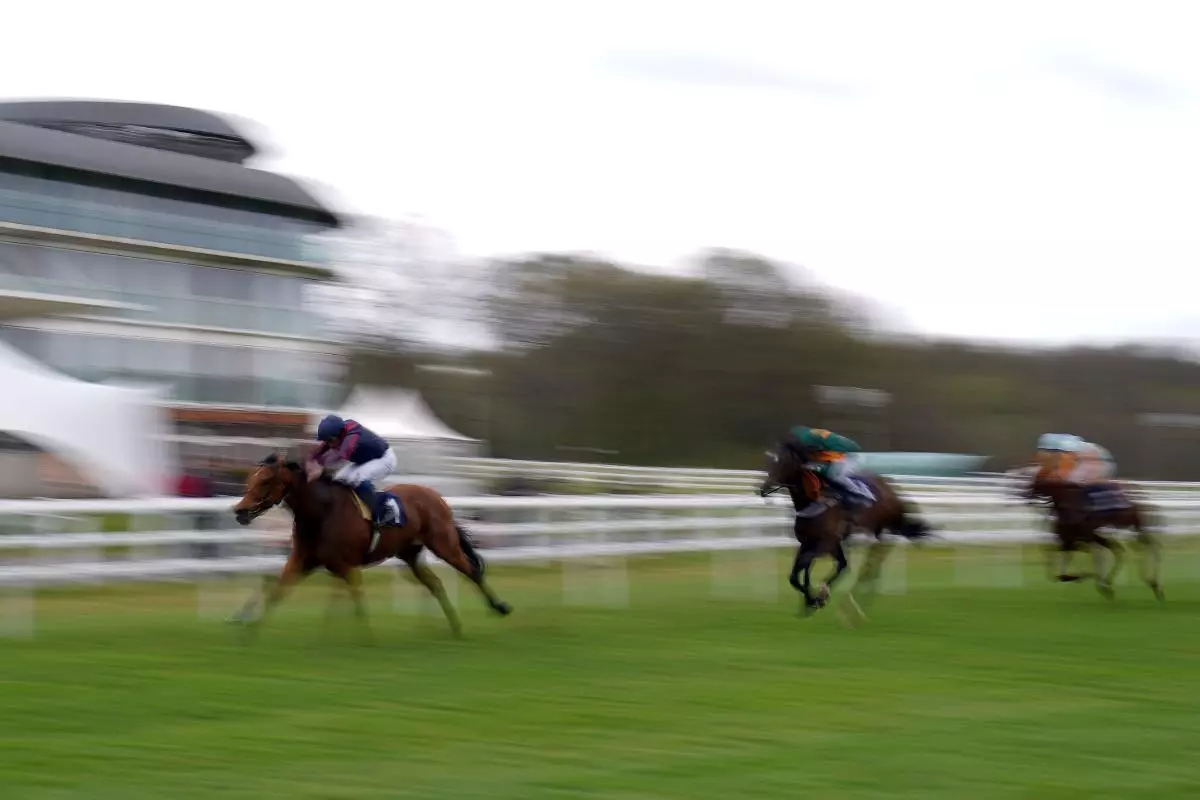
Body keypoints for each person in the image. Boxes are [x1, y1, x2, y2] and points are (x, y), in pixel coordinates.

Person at [308, 415, 400, 527]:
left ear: (340, 434)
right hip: (366, 459)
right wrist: (312, 460)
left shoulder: (352, 437)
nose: (330, 445)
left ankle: (384, 510)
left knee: (358, 480)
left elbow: (339, 457)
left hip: (384, 459)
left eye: (331, 441)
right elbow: (323, 449)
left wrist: (320, 469)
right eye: (327, 441)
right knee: (338, 479)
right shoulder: (338, 433)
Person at [782, 425, 875, 516]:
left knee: (835, 475)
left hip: (847, 454)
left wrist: (814, 467)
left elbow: (825, 465)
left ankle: (864, 494)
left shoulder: (812, 442)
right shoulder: (800, 435)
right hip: (830, 449)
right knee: (809, 467)